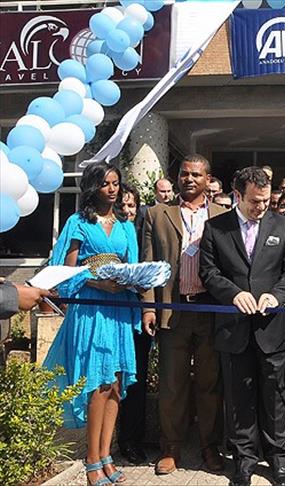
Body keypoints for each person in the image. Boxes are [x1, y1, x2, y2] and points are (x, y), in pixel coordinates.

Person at [199, 166, 285, 486]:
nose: (261, 207)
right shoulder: (215, 228)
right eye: (255, 201)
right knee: (239, 396)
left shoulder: (284, 225)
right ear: (237, 195)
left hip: (271, 327)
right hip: (233, 327)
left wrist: (276, 295)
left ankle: (279, 457)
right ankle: (244, 458)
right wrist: (234, 294)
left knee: (275, 395)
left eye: (266, 201)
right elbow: (209, 272)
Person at [43, 162, 141, 486]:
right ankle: (91, 460)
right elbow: (63, 272)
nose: (112, 189)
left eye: (116, 183)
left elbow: (133, 266)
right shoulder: (78, 222)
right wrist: (97, 281)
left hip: (119, 309)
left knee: (115, 385)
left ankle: (107, 455)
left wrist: (132, 280)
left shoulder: (126, 225)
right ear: (92, 187)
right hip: (91, 309)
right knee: (99, 383)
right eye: (105, 184)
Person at [142, 154, 226, 475]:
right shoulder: (157, 214)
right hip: (172, 309)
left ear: (208, 179)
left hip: (209, 310)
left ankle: (209, 445)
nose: (189, 179)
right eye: (184, 174)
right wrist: (148, 306)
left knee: (209, 383)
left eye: (196, 175)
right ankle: (171, 447)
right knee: (172, 383)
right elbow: (148, 264)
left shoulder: (223, 215)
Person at [116, 182, 152, 465]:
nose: (127, 210)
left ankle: (131, 439)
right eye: (122, 205)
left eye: (132, 205)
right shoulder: (106, 232)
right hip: (109, 313)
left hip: (139, 316)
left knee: (136, 378)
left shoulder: (143, 232)